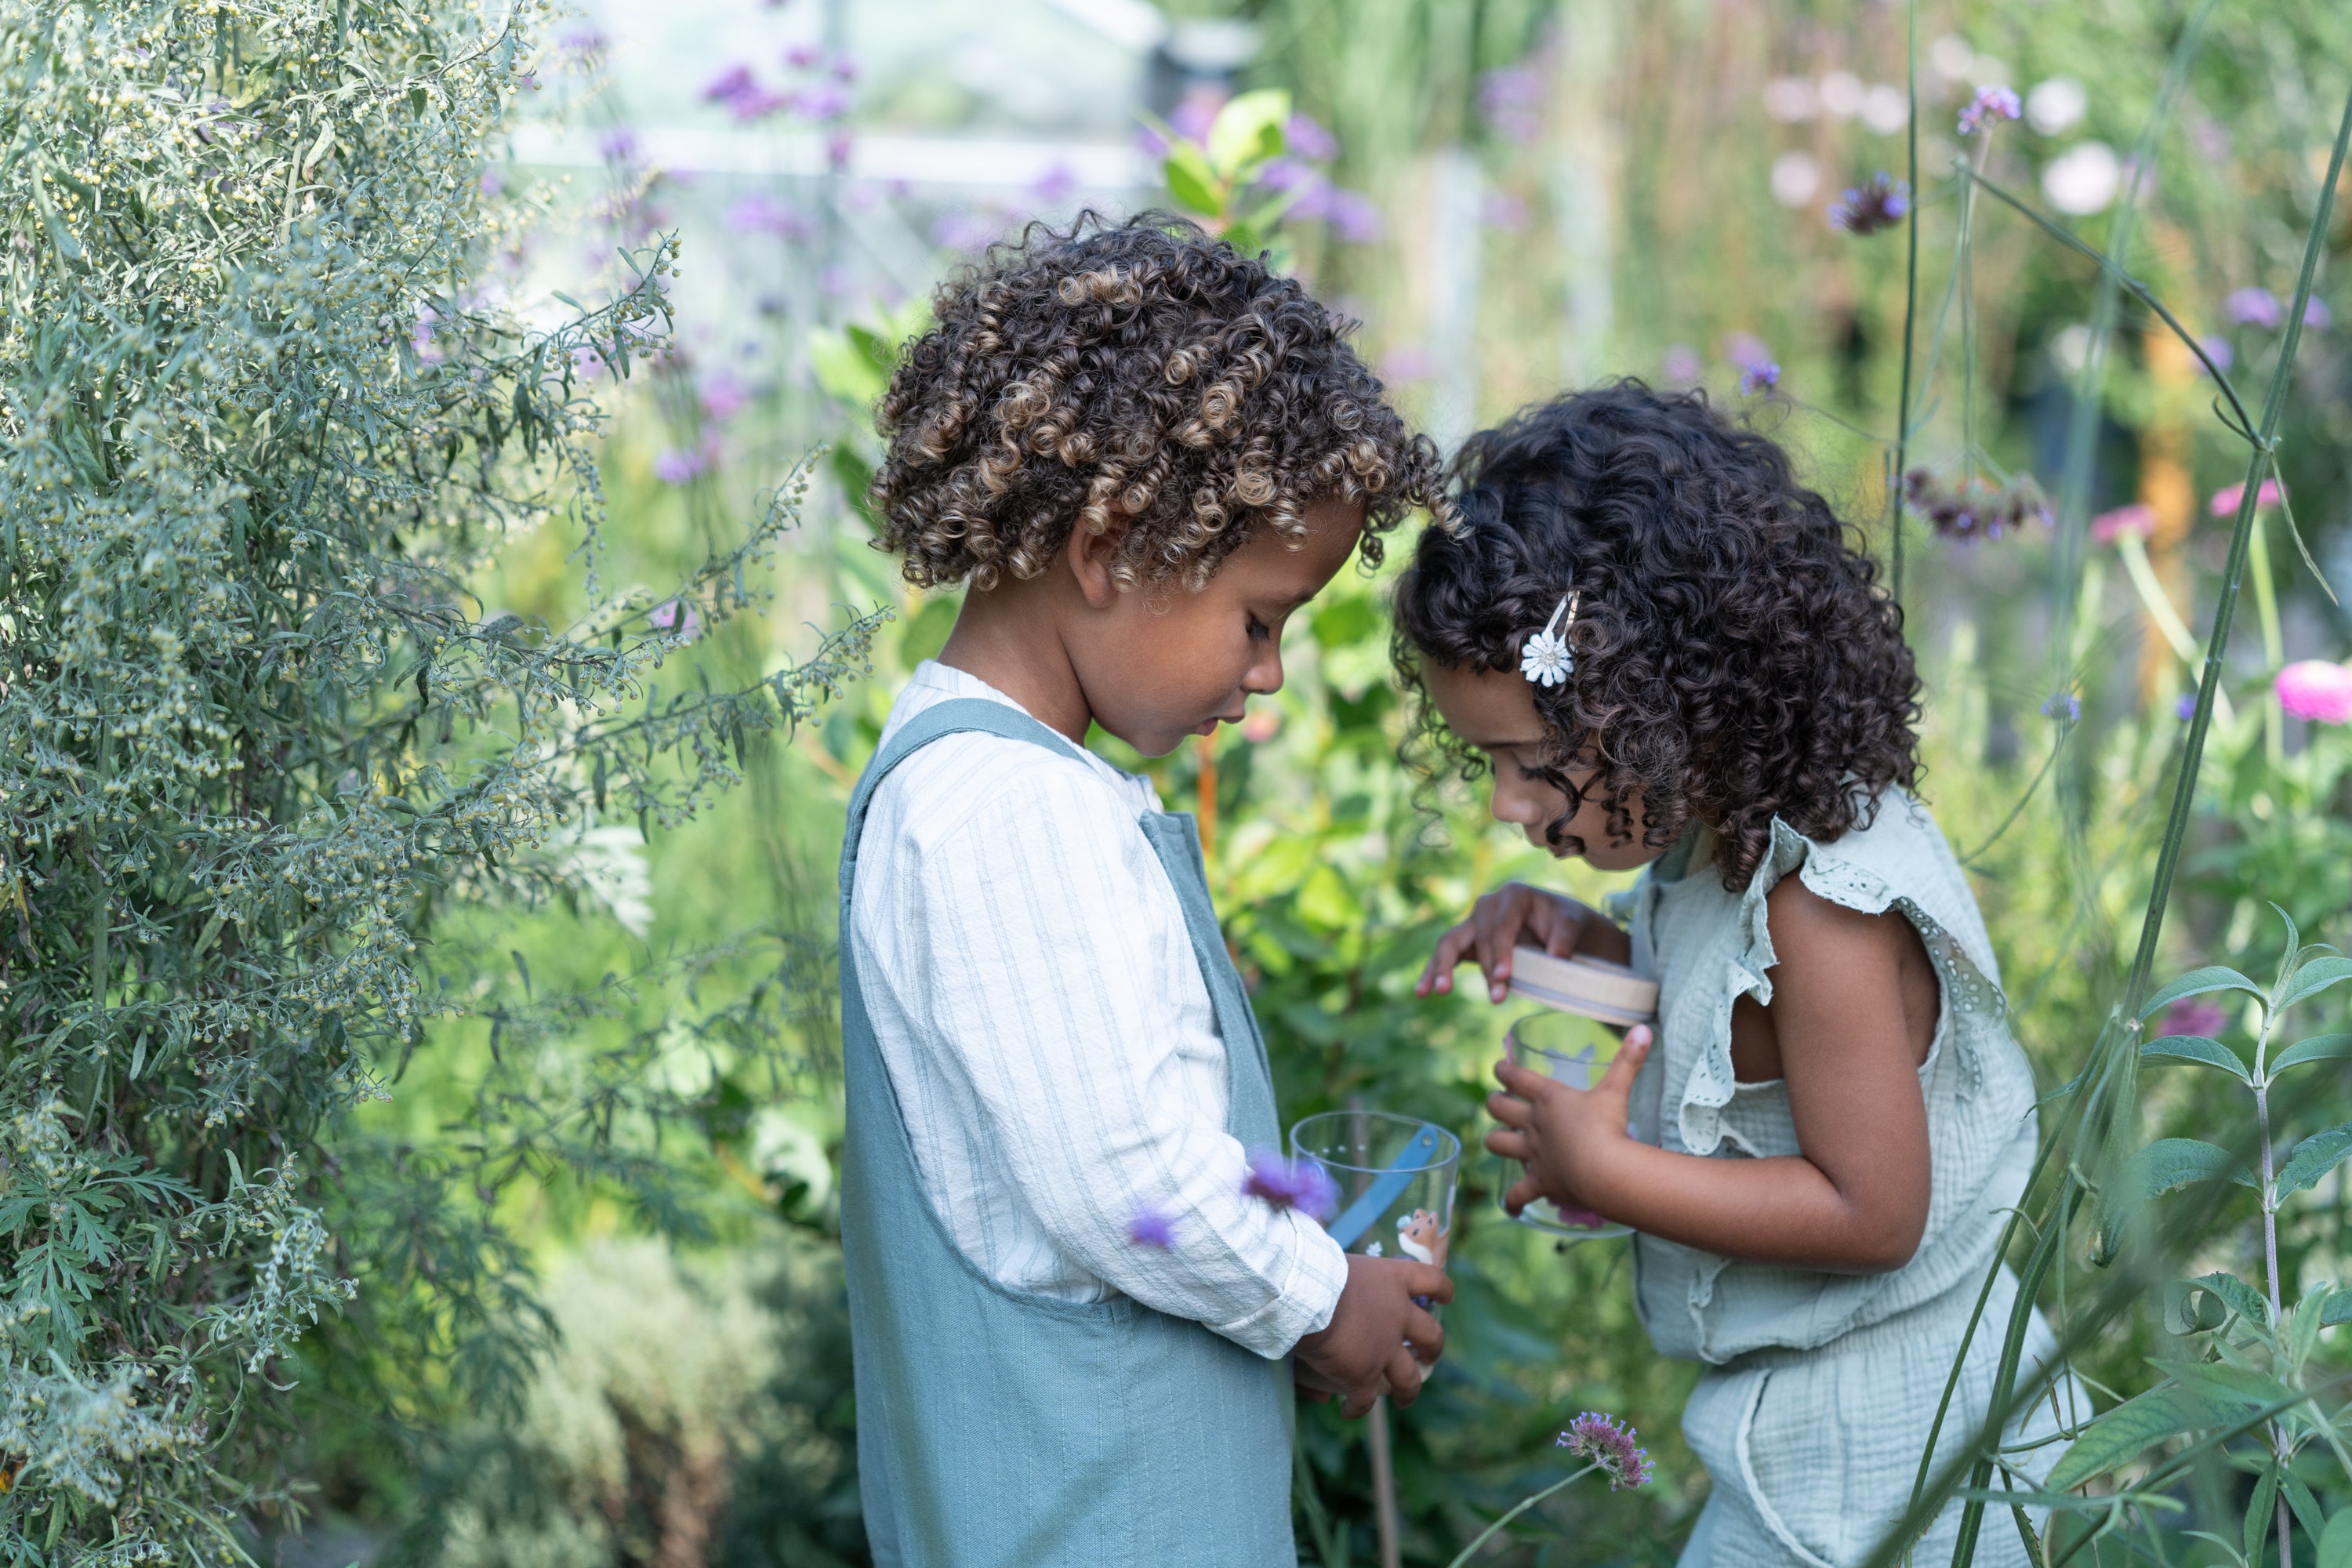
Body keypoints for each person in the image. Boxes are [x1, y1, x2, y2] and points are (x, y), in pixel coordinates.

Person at [840, 213, 1454, 1568]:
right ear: (1109, 546)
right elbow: (1121, 1178)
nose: (1271, 673)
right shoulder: (1007, 811)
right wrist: (1316, 1296)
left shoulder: (1004, 786)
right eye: (1259, 617)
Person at [1397, 383, 2071, 1566]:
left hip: (1900, 1475)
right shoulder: (1721, 840)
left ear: (1658, 703)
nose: (1506, 806)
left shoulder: (1823, 905)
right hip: (1808, 1443)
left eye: (1529, 762)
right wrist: (1589, 945)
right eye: (1484, 763)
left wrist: (1606, 1167)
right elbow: (1730, 1022)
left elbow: (1875, 1214)